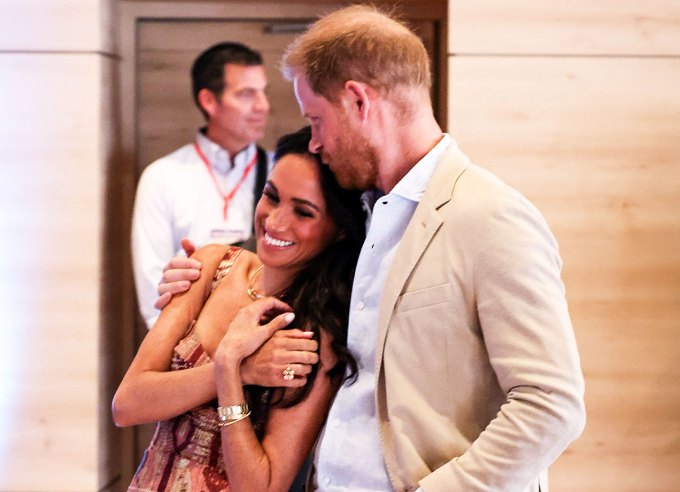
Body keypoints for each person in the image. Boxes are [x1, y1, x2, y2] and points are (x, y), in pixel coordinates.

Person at [158, 5, 587, 491]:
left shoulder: (491, 216)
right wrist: (201, 273)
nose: (314, 143)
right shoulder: (361, 213)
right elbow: (284, 262)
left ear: (359, 101)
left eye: (316, 119)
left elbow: (551, 404)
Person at [113, 127, 366, 491]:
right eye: (272, 197)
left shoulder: (313, 334)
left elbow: (262, 486)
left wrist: (231, 377)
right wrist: (238, 368)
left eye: (303, 212)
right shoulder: (211, 264)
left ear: (338, 230)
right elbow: (128, 404)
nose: (276, 221)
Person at [132, 41, 273, 328]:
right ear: (209, 100)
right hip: (183, 346)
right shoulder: (163, 176)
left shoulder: (279, 171)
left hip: (264, 338)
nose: (263, 105)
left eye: (263, 91)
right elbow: (153, 293)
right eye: (247, 93)